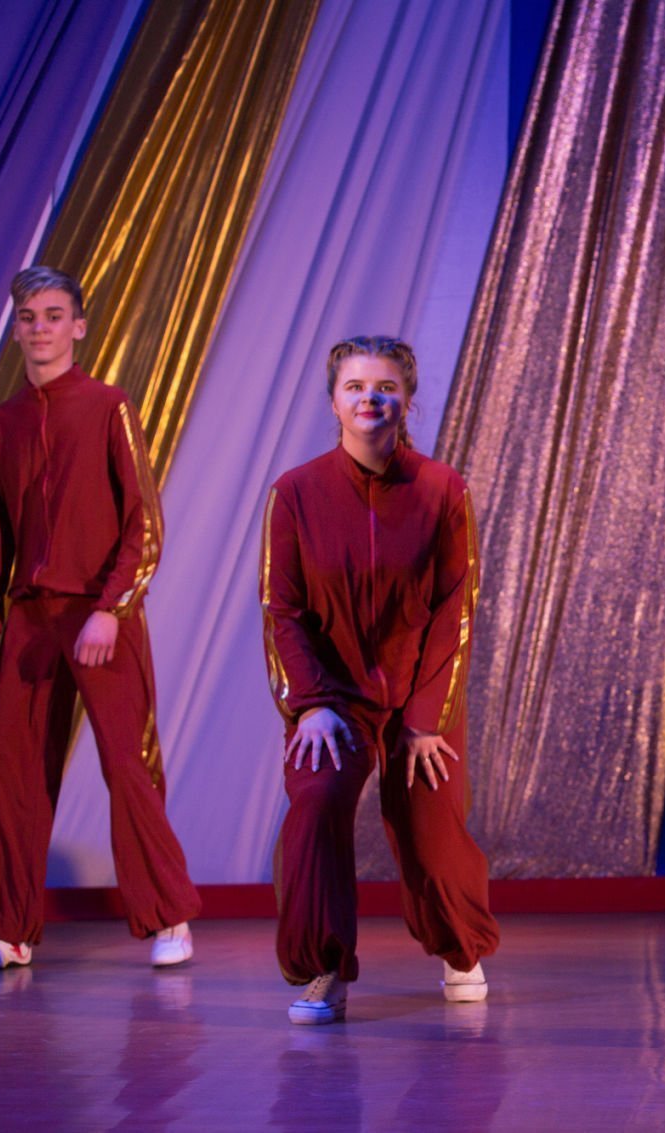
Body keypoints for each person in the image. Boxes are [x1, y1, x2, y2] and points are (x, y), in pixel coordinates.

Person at [261, 335, 499, 1024]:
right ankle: (324, 969)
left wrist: (425, 719)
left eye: (386, 387)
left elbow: (456, 609)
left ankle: (460, 947)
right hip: (332, 698)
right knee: (317, 801)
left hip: (420, 691)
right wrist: (310, 705)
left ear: (407, 401)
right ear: (334, 401)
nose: (371, 397)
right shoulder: (294, 493)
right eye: (356, 386)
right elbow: (282, 609)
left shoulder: (442, 489)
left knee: (431, 824)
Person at [0, 266, 200, 971]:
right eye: (28, 317)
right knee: (7, 766)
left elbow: (144, 522)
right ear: (17, 331)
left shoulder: (110, 407)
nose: (40, 328)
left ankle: (168, 916)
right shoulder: (1, 424)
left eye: (54, 315)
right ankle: (10, 927)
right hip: (29, 617)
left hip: (101, 612)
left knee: (126, 763)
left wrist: (111, 608)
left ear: (78, 326)